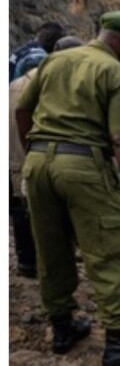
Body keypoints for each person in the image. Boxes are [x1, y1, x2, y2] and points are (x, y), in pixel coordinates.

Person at [15, 11, 120, 366]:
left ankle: (62, 328)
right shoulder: (116, 73)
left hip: (38, 165)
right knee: (112, 250)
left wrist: (34, 153)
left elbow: (22, 110)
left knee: (51, 249)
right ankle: (119, 342)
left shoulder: (55, 60)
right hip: (83, 167)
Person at [9, 35, 84, 279]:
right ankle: (56, 263)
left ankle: (27, 262)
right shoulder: (53, 83)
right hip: (47, 157)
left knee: (22, 211)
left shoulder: (11, 86)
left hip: (17, 159)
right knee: (54, 215)